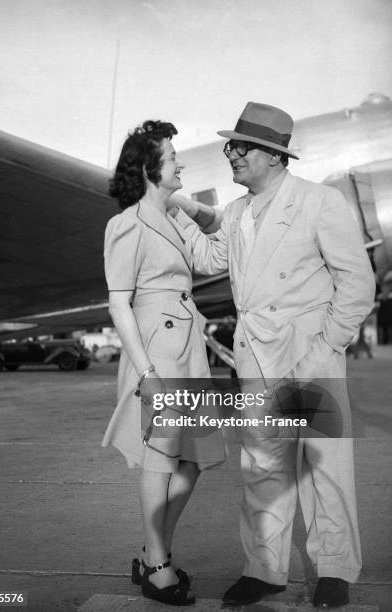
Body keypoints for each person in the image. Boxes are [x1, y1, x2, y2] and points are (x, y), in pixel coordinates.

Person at [174, 102, 376, 607]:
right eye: (231, 146)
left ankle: (333, 570)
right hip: (256, 361)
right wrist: (173, 205)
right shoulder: (239, 213)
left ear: (273, 155)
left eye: (241, 148)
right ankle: (265, 571)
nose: (232, 156)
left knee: (324, 467)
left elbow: (357, 281)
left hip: (307, 353)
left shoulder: (319, 202)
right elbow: (207, 257)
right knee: (263, 469)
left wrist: (327, 344)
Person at [102, 120, 225, 606]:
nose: (181, 164)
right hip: (157, 353)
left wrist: (189, 205)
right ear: (151, 169)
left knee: (192, 464)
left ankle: (156, 554)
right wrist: (148, 376)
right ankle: (157, 566)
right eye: (173, 159)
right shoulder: (125, 225)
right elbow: (118, 304)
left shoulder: (175, 219)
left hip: (188, 350)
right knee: (160, 461)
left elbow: (217, 258)